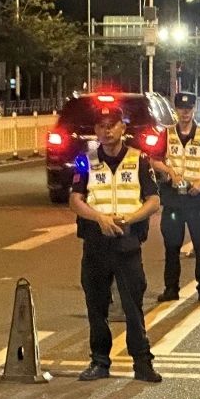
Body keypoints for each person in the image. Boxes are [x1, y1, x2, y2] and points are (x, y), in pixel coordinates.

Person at [69, 105, 163, 382]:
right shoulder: (85, 160)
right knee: (96, 305)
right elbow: (75, 200)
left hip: (127, 242)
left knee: (133, 305)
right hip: (96, 242)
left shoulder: (139, 160)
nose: (106, 131)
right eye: (101, 125)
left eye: (112, 124)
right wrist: (99, 218)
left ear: (123, 127)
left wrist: (129, 219)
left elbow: (154, 200)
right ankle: (99, 362)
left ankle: (142, 363)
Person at [150, 92, 200, 303]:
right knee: (171, 245)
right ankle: (171, 289)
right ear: (176, 110)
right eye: (181, 109)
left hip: (196, 199)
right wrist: (170, 173)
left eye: (188, 109)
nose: (185, 113)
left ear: (194, 109)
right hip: (173, 199)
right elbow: (154, 159)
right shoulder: (166, 135)